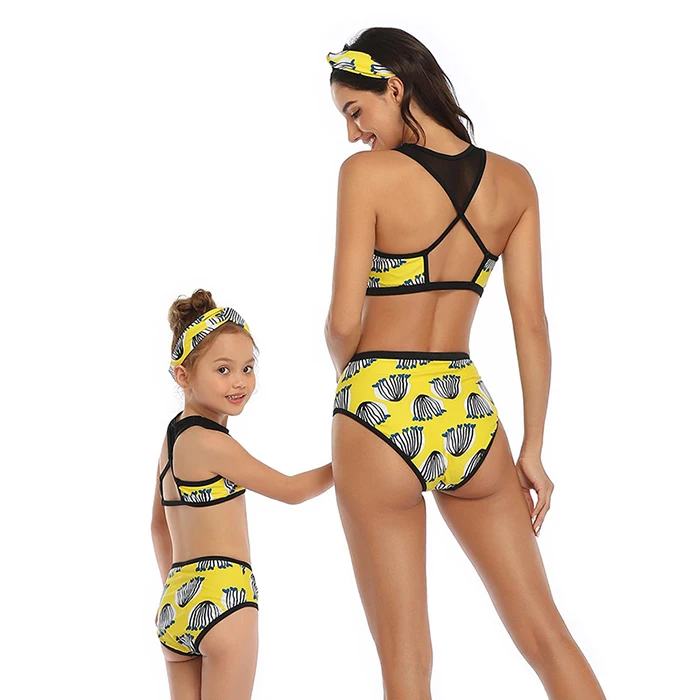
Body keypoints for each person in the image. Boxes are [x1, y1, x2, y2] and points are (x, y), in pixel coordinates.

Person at [325, 28, 606, 700]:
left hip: (375, 404)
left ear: (395, 88)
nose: (353, 135)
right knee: (547, 636)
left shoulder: (366, 177)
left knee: (406, 660)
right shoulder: (514, 183)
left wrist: (349, 383)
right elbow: (531, 324)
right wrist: (532, 449)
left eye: (356, 113)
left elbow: (341, 322)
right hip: (466, 408)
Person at [151, 289, 333, 700]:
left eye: (248, 368)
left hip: (176, 601)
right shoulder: (212, 443)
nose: (239, 381)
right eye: (223, 369)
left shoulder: (172, 437)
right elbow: (291, 490)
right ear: (183, 376)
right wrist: (350, 461)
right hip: (224, 599)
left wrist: (176, 592)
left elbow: (158, 526)